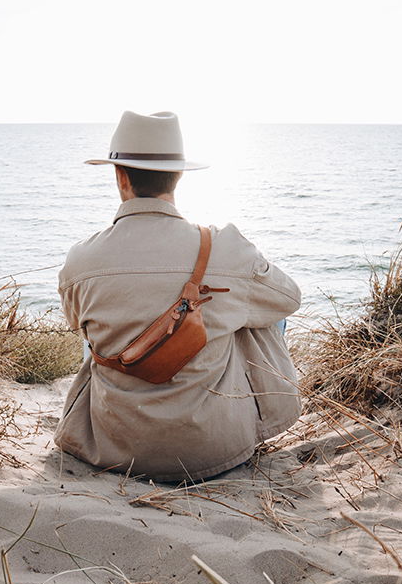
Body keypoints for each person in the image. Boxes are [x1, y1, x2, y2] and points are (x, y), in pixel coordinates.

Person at [54, 111, 301, 482]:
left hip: (114, 447)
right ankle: (255, 416)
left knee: (94, 330)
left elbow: (77, 327)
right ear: (180, 176)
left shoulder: (81, 259)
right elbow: (290, 300)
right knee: (258, 309)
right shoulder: (225, 246)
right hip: (215, 448)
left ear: (120, 176)